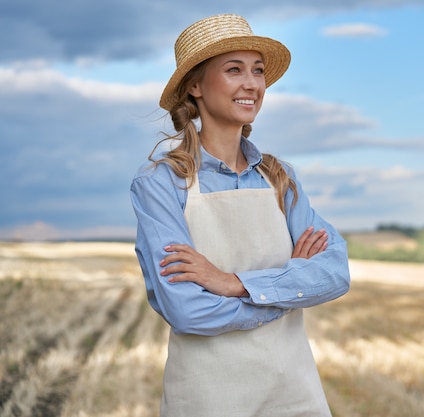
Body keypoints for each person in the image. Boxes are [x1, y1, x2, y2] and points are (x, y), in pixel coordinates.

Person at [130, 14, 351, 417]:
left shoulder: (280, 178)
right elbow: (186, 310)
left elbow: (334, 272)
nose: (252, 84)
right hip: (209, 398)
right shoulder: (161, 185)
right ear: (194, 85)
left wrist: (232, 283)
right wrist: (288, 289)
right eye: (234, 70)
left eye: (258, 71)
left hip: (293, 394)